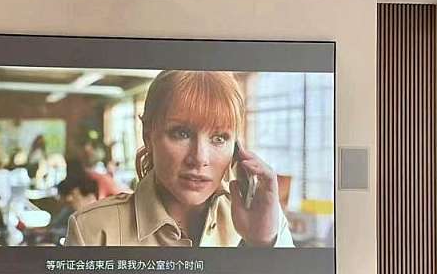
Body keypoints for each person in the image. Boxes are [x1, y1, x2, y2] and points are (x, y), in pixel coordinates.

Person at [65, 70, 293, 247]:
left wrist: (262, 244)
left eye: (219, 138)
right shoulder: (92, 230)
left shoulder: (265, 220)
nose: (200, 158)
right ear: (148, 135)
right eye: (181, 133)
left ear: (236, 147)